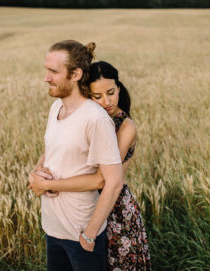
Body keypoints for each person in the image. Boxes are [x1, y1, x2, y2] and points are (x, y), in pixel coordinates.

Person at [29, 61, 151, 270]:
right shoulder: (85, 117)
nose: (107, 101)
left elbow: (101, 179)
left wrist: (49, 185)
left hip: (113, 208)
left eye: (111, 92)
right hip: (83, 205)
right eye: (97, 96)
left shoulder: (125, 127)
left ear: (119, 88)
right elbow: (57, 146)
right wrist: (38, 171)